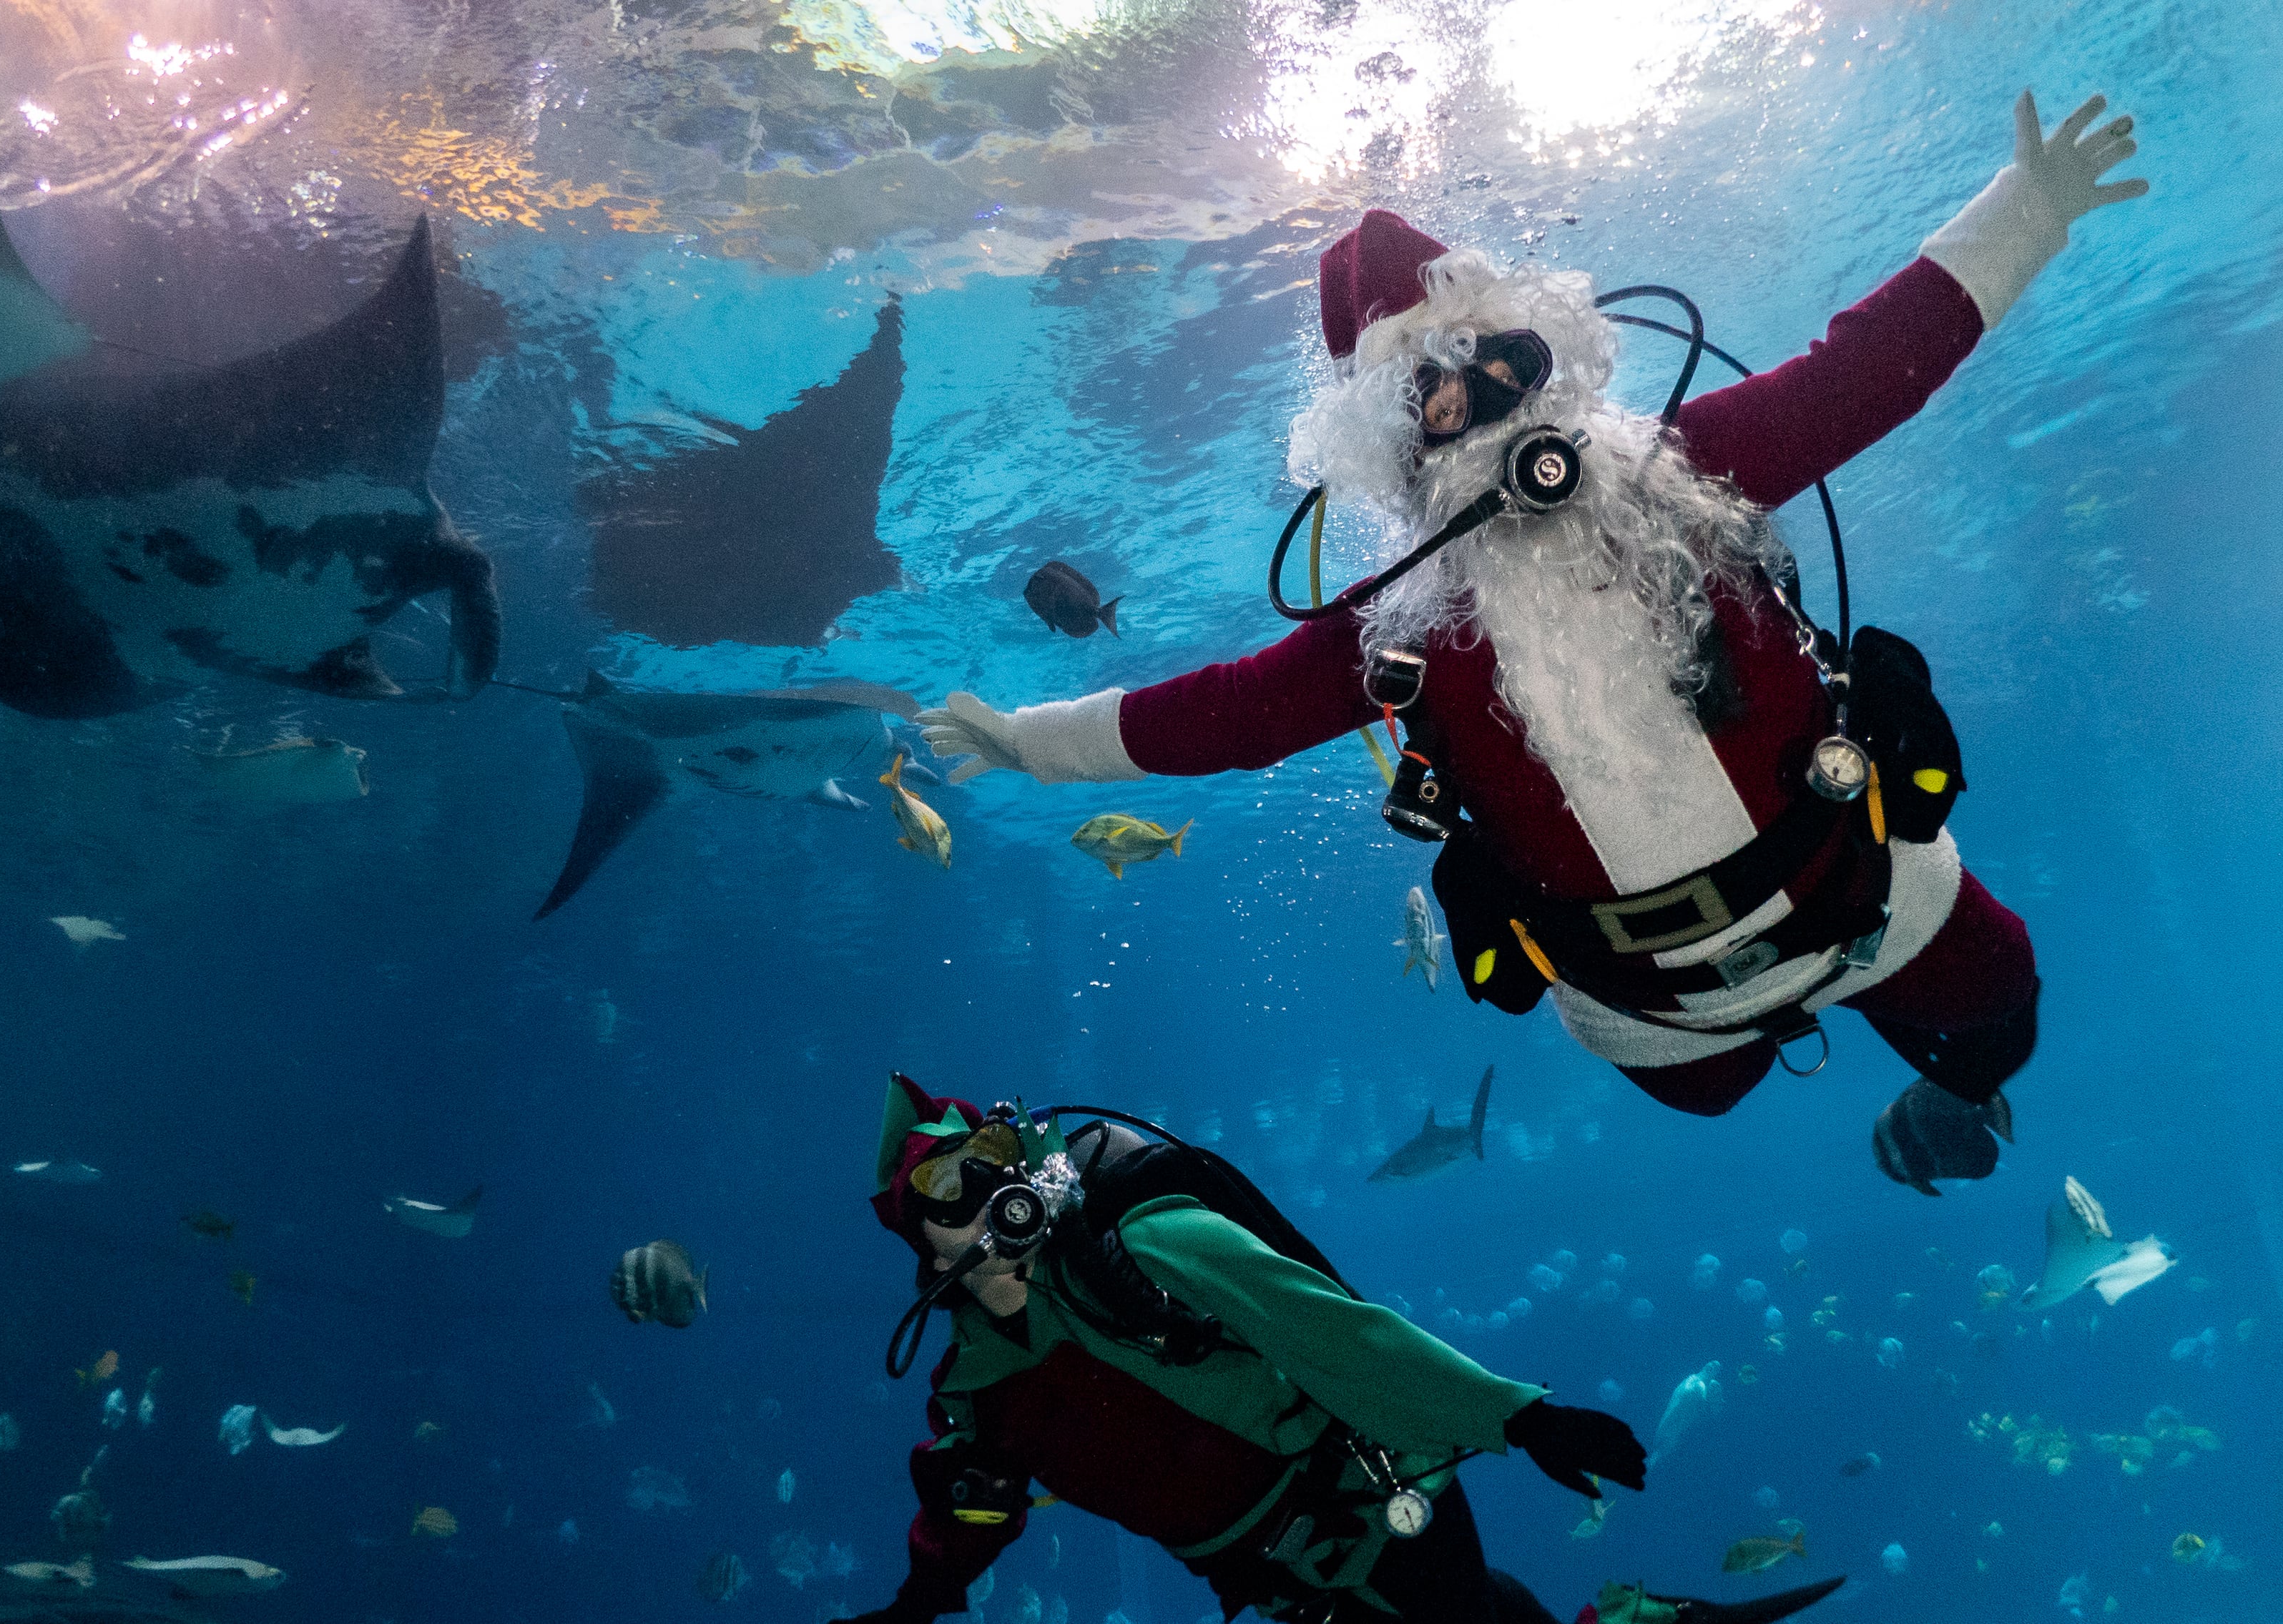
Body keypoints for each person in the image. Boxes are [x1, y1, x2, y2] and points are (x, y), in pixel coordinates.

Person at [919, 92, 2149, 1192]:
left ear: (1549, 358)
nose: (1488, 408)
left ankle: (1935, 1076)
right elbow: (1225, 715)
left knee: (2002, 1026)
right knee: (1710, 1093)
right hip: (1652, 1006)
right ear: (1394, 446)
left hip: (1864, 880)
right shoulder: (1401, 621)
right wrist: (1028, 743)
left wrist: (2027, 207)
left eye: (1504, 364)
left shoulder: (1686, 464)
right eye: (1442, 396)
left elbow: (1862, 374)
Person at [840, 1074, 1848, 1624]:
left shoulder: (1139, 1247)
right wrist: (916, 1608)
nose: (978, 1193)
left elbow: (1334, 1333)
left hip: (1373, 1505)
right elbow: (973, 1504)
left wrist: (1518, 1415)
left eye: (989, 1164)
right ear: (912, 1233)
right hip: (1278, 1585)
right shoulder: (977, 1389)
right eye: (943, 1188)